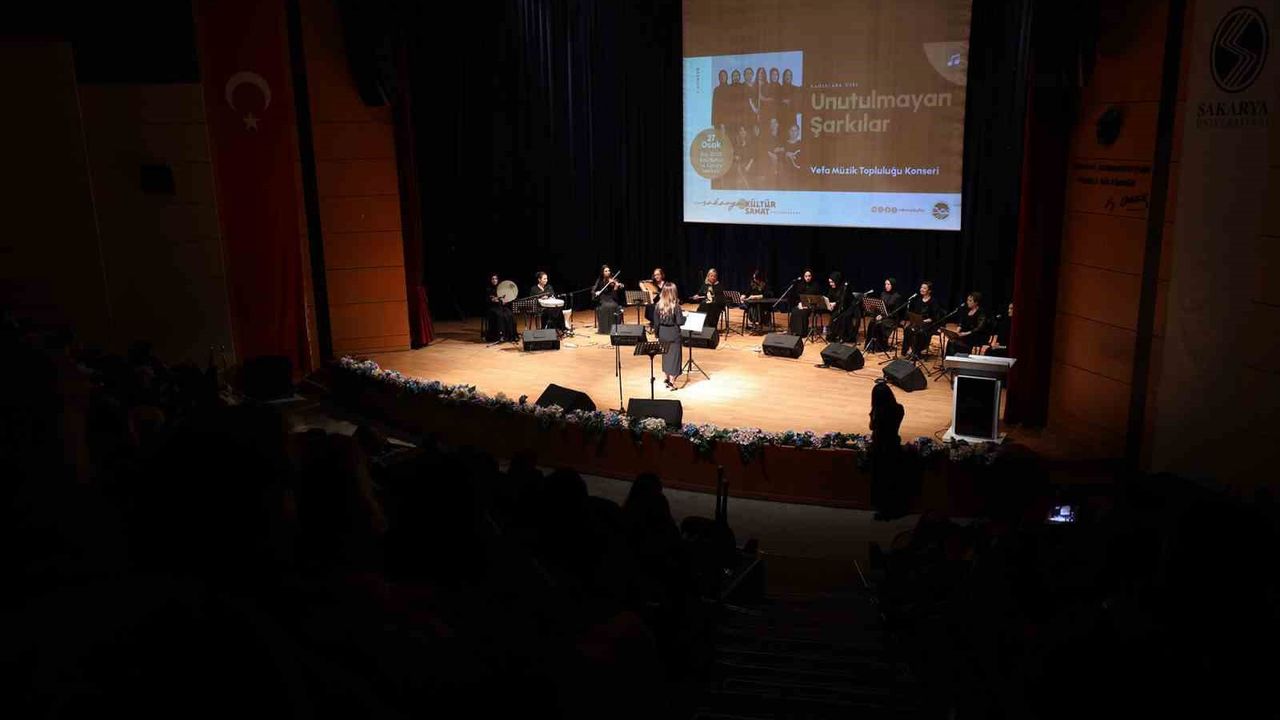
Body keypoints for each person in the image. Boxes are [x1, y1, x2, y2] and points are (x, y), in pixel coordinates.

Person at [868, 380, 906, 519]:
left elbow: (872, 427)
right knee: (892, 479)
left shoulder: (878, 413)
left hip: (880, 447)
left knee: (880, 480)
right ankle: (895, 508)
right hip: (894, 444)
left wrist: (872, 413)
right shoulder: (899, 409)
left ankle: (883, 510)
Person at [901, 280, 943, 358]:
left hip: (929, 323)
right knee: (908, 329)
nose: (921, 289)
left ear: (929, 291)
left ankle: (916, 352)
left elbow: (934, 318)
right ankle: (909, 349)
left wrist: (923, 321)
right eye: (921, 287)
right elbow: (915, 313)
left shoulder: (933, 302)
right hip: (918, 322)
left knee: (919, 331)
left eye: (924, 288)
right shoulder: (918, 300)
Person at [654, 283, 685, 389]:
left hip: (662, 333)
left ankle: (666, 377)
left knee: (665, 355)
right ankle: (672, 381)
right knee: (675, 357)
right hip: (673, 333)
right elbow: (680, 321)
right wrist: (686, 317)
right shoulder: (676, 306)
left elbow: (656, 323)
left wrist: (657, 334)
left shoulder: (658, 305)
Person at [866, 277, 903, 352]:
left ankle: (881, 346)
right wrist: (877, 313)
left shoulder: (897, 297)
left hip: (891, 318)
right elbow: (880, 307)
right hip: (882, 316)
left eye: (888, 284)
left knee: (879, 324)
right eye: (885, 284)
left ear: (893, 285)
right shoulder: (883, 294)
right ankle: (871, 345)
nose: (886, 286)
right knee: (872, 322)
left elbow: (895, 312)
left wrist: (883, 316)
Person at [948, 291, 990, 356]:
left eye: (970, 301)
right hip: (963, 334)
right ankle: (949, 362)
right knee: (951, 341)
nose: (967, 302)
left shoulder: (981, 313)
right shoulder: (967, 310)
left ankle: (958, 361)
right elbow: (961, 323)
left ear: (976, 302)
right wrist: (957, 331)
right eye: (967, 300)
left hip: (973, 336)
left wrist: (965, 333)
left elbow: (979, 328)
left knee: (955, 343)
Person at [787, 269, 822, 336]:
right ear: (803, 276)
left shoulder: (815, 285)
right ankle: (794, 331)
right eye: (806, 276)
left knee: (803, 312)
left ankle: (802, 333)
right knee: (795, 311)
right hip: (801, 305)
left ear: (811, 276)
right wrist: (799, 304)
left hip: (811, 306)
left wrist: (808, 305)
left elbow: (818, 298)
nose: (807, 278)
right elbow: (797, 297)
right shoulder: (800, 285)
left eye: (809, 276)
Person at [483, 273, 516, 342]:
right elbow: (486, 300)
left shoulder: (501, 288)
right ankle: (499, 335)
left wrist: (505, 301)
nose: (494, 280)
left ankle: (509, 335)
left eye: (496, 279)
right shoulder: (488, 289)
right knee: (500, 315)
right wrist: (492, 300)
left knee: (510, 314)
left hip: (501, 306)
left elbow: (505, 298)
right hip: (492, 307)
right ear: (490, 280)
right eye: (493, 279)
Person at [825, 271, 856, 343]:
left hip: (848, 307)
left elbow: (845, 300)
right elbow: (829, 298)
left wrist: (835, 303)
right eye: (830, 282)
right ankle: (835, 335)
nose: (831, 284)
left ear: (837, 280)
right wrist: (829, 303)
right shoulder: (832, 288)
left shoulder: (845, 287)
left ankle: (844, 336)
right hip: (839, 307)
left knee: (841, 316)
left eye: (832, 282)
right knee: (835, 316)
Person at [592, 264, 623, 335]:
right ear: (603, 272)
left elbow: (615, 294)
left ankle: (614, 329)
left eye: (609, 271)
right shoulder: (599, 280)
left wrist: (616, 286)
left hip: (611, 298)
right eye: (606, 271)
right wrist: (596, 292)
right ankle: (604, 329)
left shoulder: (614, 280)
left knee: (614, 306)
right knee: (604, 307)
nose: (608, 272)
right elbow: (593, 290)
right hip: (603, 298)